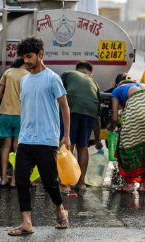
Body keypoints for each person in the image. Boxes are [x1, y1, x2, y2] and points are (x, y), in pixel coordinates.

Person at [8, 37, 71, 236]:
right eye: (23, 57)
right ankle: (26, 222)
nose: (26, 60)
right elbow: (26, 110)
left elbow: (64, 106)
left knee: (50, 182)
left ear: (40, 55)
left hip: (47, 139)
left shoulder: (53, 78)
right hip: (26, 139)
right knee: (21, 179)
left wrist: (66, 135)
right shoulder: (24, 80)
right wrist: (19, 136)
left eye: (29, 56)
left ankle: (60, 209)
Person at [107, 73, 145, 194]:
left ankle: (129, 185)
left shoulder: (117, 90)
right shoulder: (141, 85)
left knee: (127, 144)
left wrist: (110, 127)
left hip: (136, 106)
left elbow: (115, 118)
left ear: (117, 83)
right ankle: (142, 186)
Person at [60, 60, 101, 192]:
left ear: (77, 69)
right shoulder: (94, 82)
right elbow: (97, 118)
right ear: (91, 73)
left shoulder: (68, 74)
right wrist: (98, 139)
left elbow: (57, 91)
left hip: (72, 106)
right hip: (90, 110)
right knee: (83, 146)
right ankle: (81, 182)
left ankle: (66, 183)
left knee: (68, 145)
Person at [0, 57, 29, 188]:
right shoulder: (28, 75)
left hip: (5, 113)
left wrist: (6, 102)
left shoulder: (8, 72)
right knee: (17, 147)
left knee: (5, 146)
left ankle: (3, 179)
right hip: (21, 115)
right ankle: (14, 180)